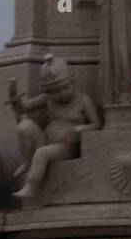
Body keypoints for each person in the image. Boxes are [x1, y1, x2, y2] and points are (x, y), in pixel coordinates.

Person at [8, 54, 100, 199]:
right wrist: (14, 97)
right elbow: (24, 108)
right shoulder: (48, 99)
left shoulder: (83, 101)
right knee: (24, 126)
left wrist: (81, 129)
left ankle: (31, 186)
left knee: (41, 154)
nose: (60, 94)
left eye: (64, 88)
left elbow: (97, 125)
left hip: (68, 147)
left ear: (72, 82)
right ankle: (27, 161)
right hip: (46, 140)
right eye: (55, 91)